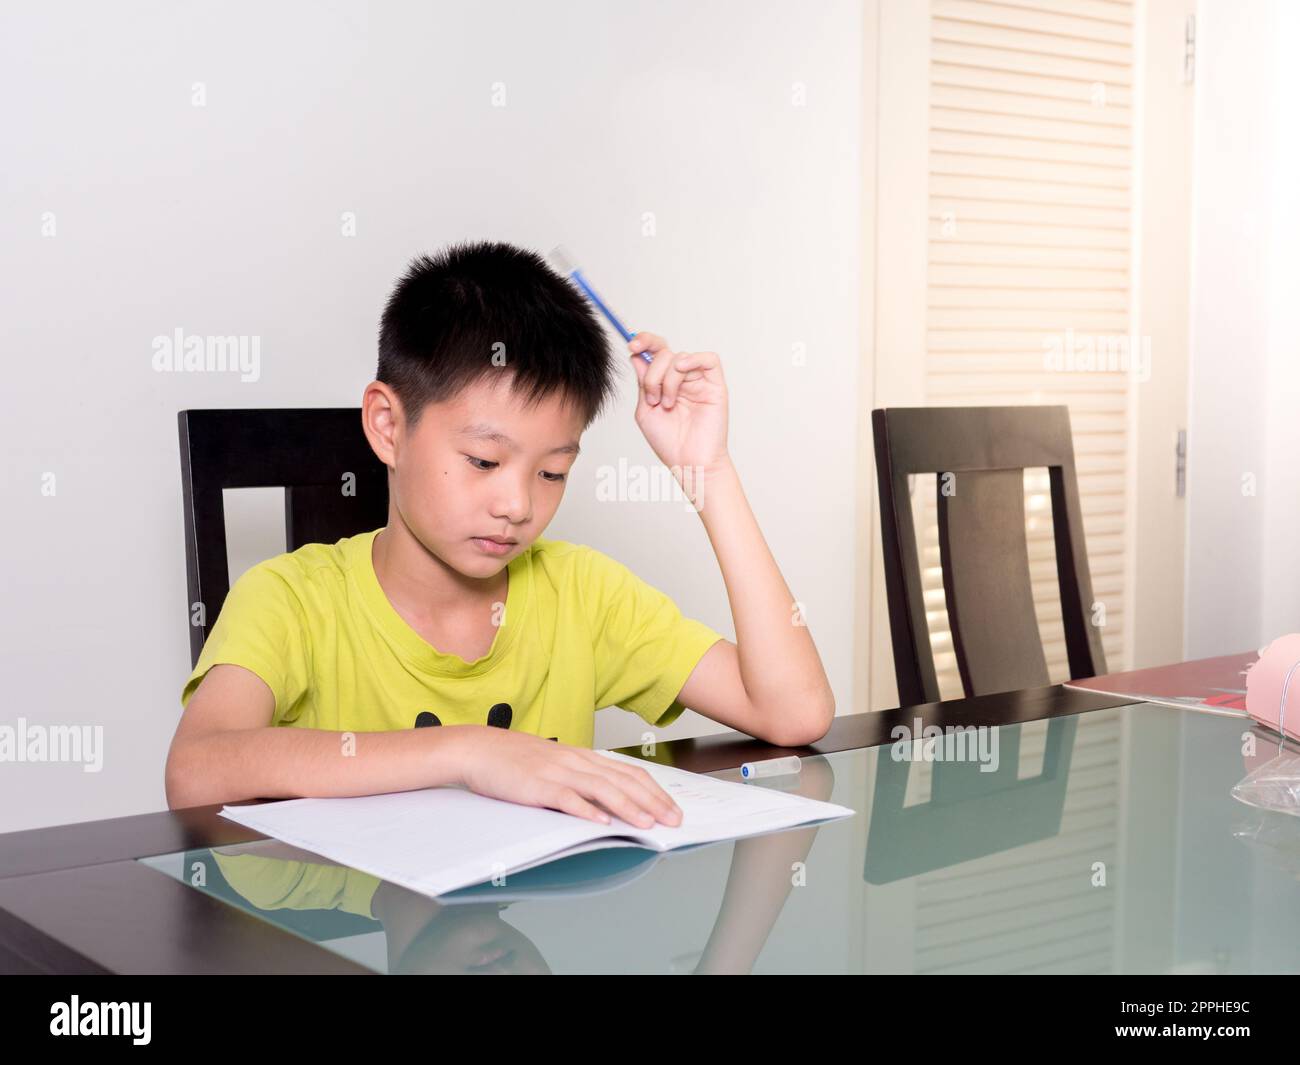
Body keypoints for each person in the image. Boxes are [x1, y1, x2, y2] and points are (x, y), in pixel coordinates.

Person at [164, 240, 835, 827]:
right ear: (388, 426)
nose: (517, 504)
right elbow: (195, 768)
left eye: (552, 471)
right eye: (484, 461)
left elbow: (794, 712)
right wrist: (468, 749)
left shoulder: (580, 593)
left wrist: (707, 470)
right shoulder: (291, 599)